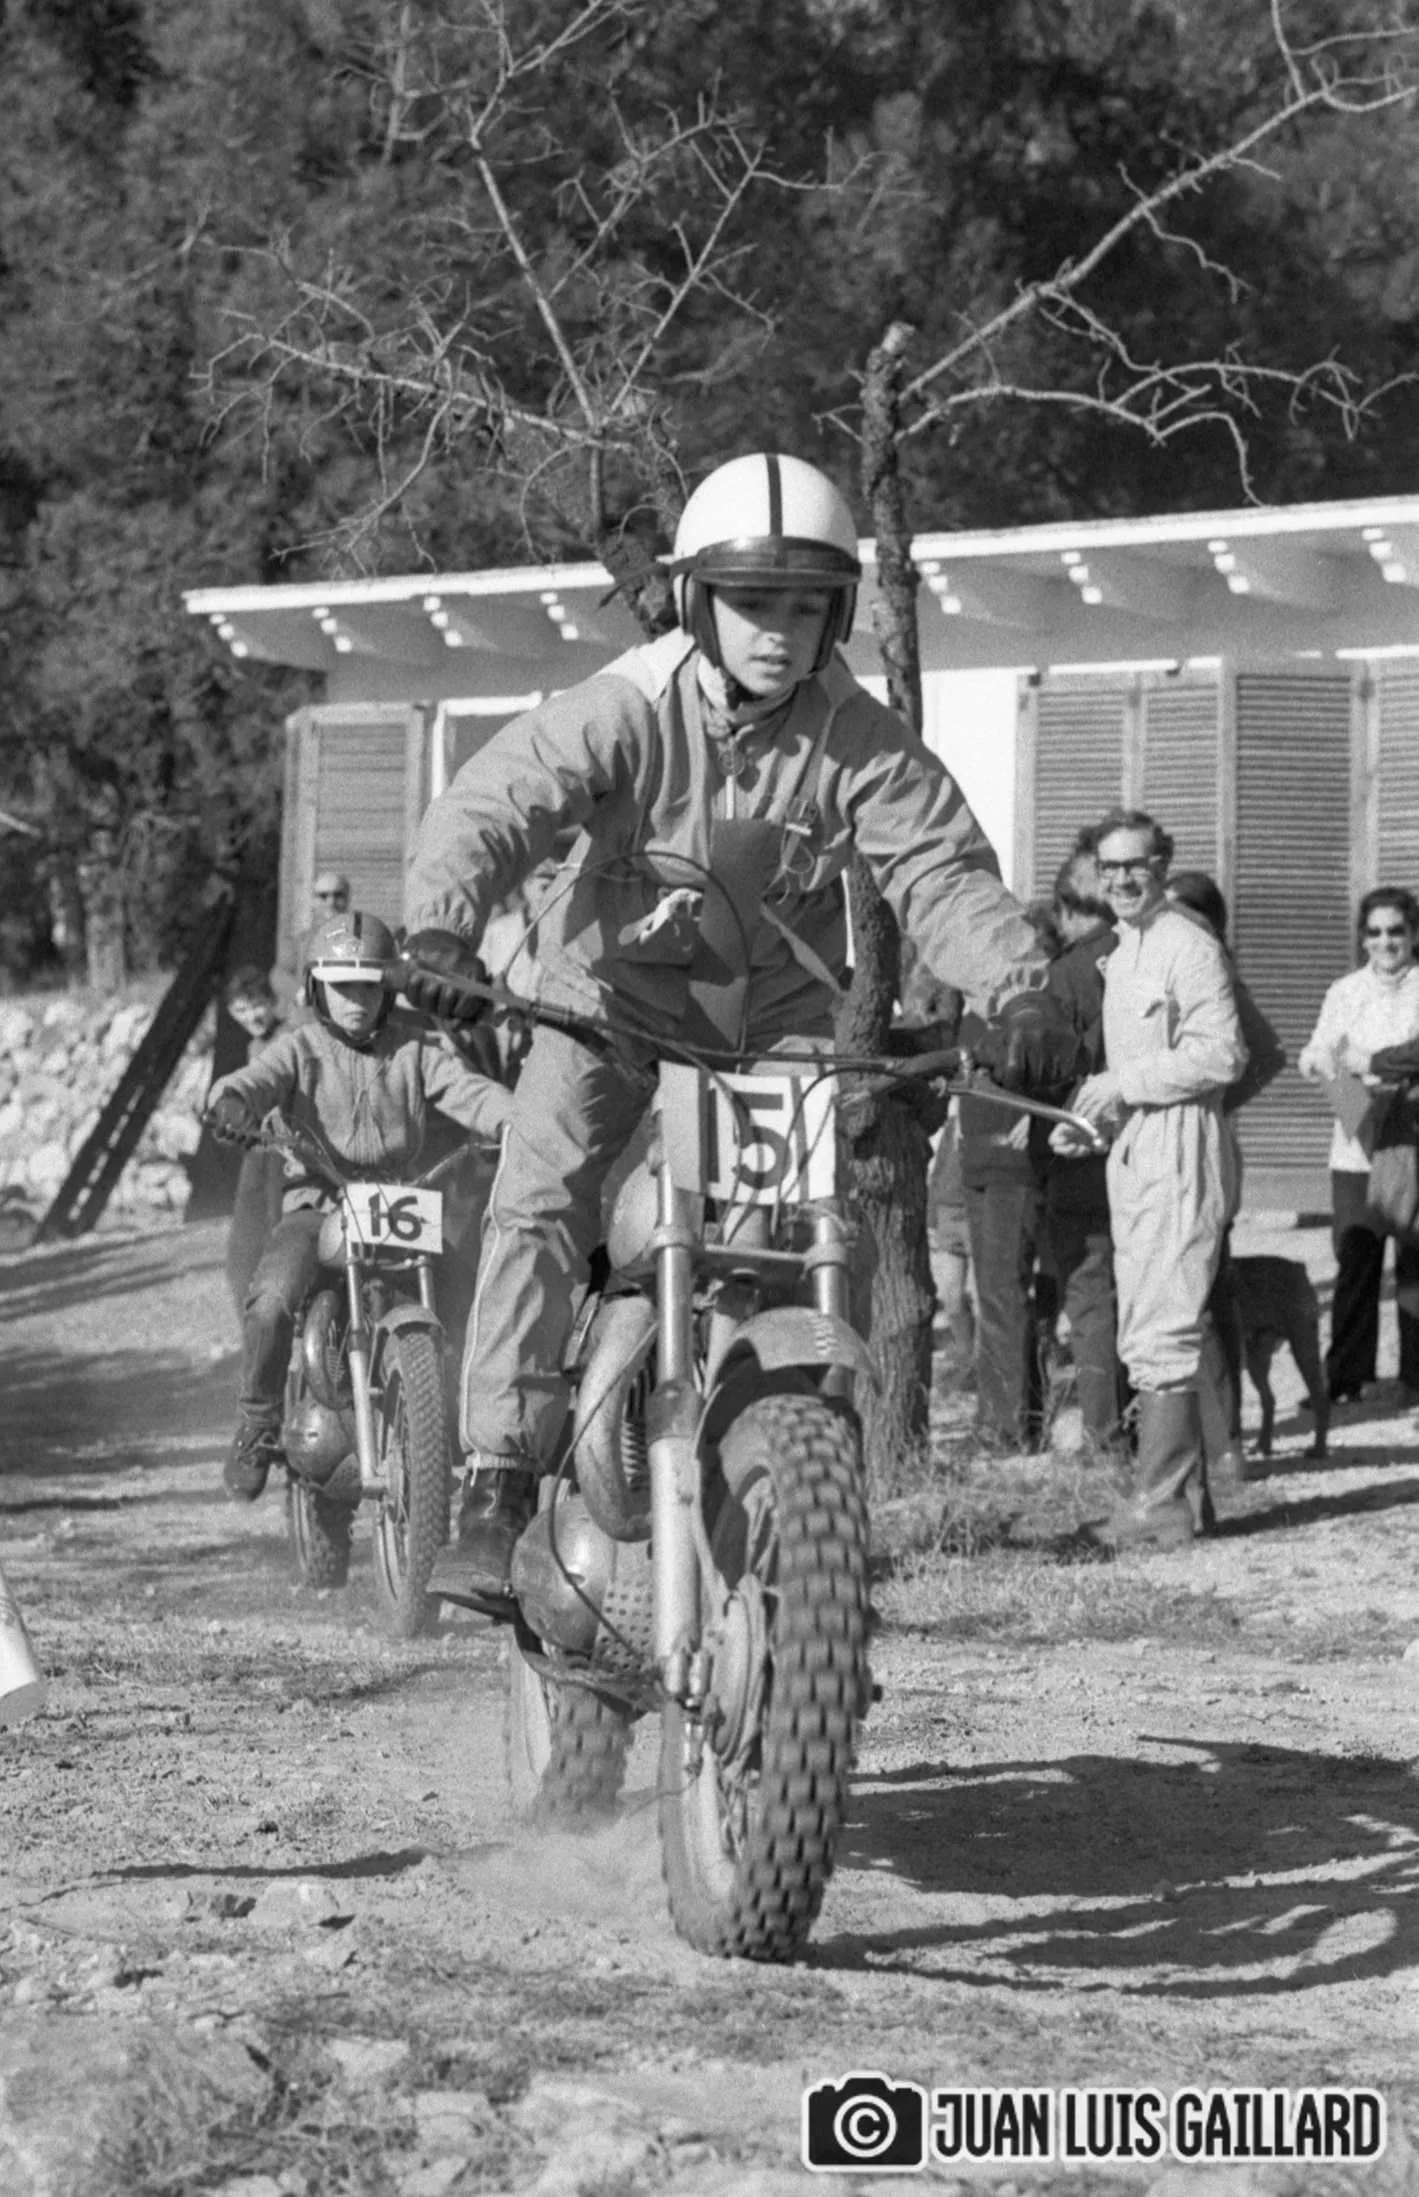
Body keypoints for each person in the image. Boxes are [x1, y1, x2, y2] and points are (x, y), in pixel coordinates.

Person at [400, 452, 1081, 1609]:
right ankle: (497, 1478)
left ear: (839, 616)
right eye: (753, 602)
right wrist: (441, 930)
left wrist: (1020, 990)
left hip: (773, 1028)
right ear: (695, 600)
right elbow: (496, 803)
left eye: (806, 607)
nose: (779, 631)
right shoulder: (626, 704)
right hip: (601, 1005)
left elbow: (942, 870)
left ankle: (792, 1446)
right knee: (543, 1190)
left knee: (819, 1220)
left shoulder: (857, 736)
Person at [204, 910, 514, 1502]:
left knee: (474, 1299)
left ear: (387, 990)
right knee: (270, 1303)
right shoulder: (299, 1049)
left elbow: (473, 1093)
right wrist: (232, 1102)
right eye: (342, 987)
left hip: (398, 1203)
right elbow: (253, 1080)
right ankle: (258, 1422)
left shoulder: (417, 1051)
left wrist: (518, 1122)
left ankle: (476, 1436)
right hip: (317, 1204)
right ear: (317, 989)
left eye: (369, 987)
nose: (357, 1002)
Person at [1054, 808, 1247, 1548]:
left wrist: (1121, 1085)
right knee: (1143, 1318)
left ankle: (1161, 1503)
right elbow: (1134, 1071)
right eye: (1109, 868)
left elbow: (1221, 1054)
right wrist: (1095, 1122)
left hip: (1182, 1144)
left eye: (1135, 864)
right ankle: (1184, 1498)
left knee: (1166, 1318)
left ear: (1161, 865)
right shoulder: (1125, 947)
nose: (1122, 879)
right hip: (1137, 1146)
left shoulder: (1187, 945)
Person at [1164, 869, 1286, 1476]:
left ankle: (1223, 1444)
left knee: (1205, 1295)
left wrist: (1209, 1100)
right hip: (1164, 1149)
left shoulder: (1215, 974)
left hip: (1199, 1150)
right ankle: (1198, 1440)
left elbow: (1268, 1055)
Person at [1297, 886, 1419, 1403]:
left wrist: (1372, 1063)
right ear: (1362, 938)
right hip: (1357, 1143)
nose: (1385, 942)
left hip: (1411, 1143)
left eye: (1396, 931)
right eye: (1374, 932)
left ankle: (1416, 1377)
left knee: (1415, 1262)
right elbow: (1319, 1048)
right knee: (1355, 1258)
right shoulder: (1345, 991)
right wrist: (1319, 1062)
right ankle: (1346, 1377)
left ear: (1413, 934)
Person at [1036, 845, 1125, 1461]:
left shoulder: (1066, 975)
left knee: (1091, 1301)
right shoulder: (1148, 951)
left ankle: (1105, 1435)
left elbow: (1044, 1070)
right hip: (1152, 1151)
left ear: (1067, 909)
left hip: (1083, 1155)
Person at [220, 965, 287, 1321]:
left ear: (273, 1002)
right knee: (243, 1244)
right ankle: (252, 1322)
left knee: (279, 1231)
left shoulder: (291, 1037)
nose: (252, 1017)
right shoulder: (253, 1046)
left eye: (258, 1005)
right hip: (260, 1148)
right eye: (241, 1010)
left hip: (287, 1149)